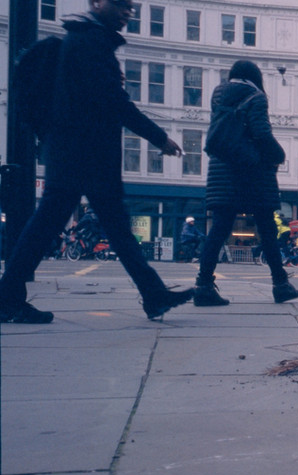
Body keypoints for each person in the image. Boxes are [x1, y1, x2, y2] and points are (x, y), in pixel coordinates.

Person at [0, 0, 191, 323]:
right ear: (97, 3)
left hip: (77, 153)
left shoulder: (86, 37)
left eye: (130, 7)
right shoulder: (89, 41)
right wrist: (159, 137)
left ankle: (154, 294)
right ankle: (7, 298)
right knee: (54, 227)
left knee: (106, 228)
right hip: (83, 154)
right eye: (120, 5)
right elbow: (114, 102)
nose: (127, 12)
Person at [192, 59, 298, 307]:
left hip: (222, 170)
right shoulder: (256, 96)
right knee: (267, 228)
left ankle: (203, 286)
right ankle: (281, 285)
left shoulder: (218, 94)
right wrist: (278, 155)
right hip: (253, 173)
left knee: (219, 229)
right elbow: (261, 133)